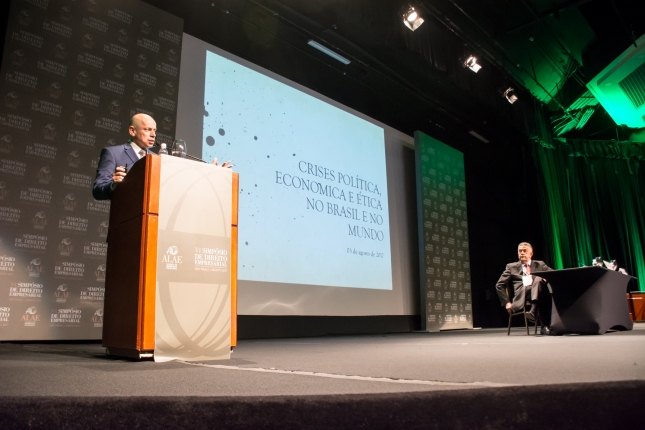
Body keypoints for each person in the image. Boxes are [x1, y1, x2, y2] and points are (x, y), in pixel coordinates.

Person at [93, 113, 231, 200]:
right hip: (126, 227)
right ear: (132, 131)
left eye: (154, 131)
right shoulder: (113, 153)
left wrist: (211, 173)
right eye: (147, 130)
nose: (153, 135)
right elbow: (97, 190)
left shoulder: (159, 159)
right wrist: (113, 185)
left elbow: (177, 186)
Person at [495, 242, 553, 334]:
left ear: (531, 254)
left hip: (538, 292)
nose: (522, 253)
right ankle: (544, 325)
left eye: (524, 251)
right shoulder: (511, 267)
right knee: (539, 283)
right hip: (522, 293)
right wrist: (506, 302)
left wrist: (546, 278)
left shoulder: (540, 264)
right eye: (520, 251)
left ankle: (534, 312)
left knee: (539, 281)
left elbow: (553, 274)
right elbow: (499, 285)